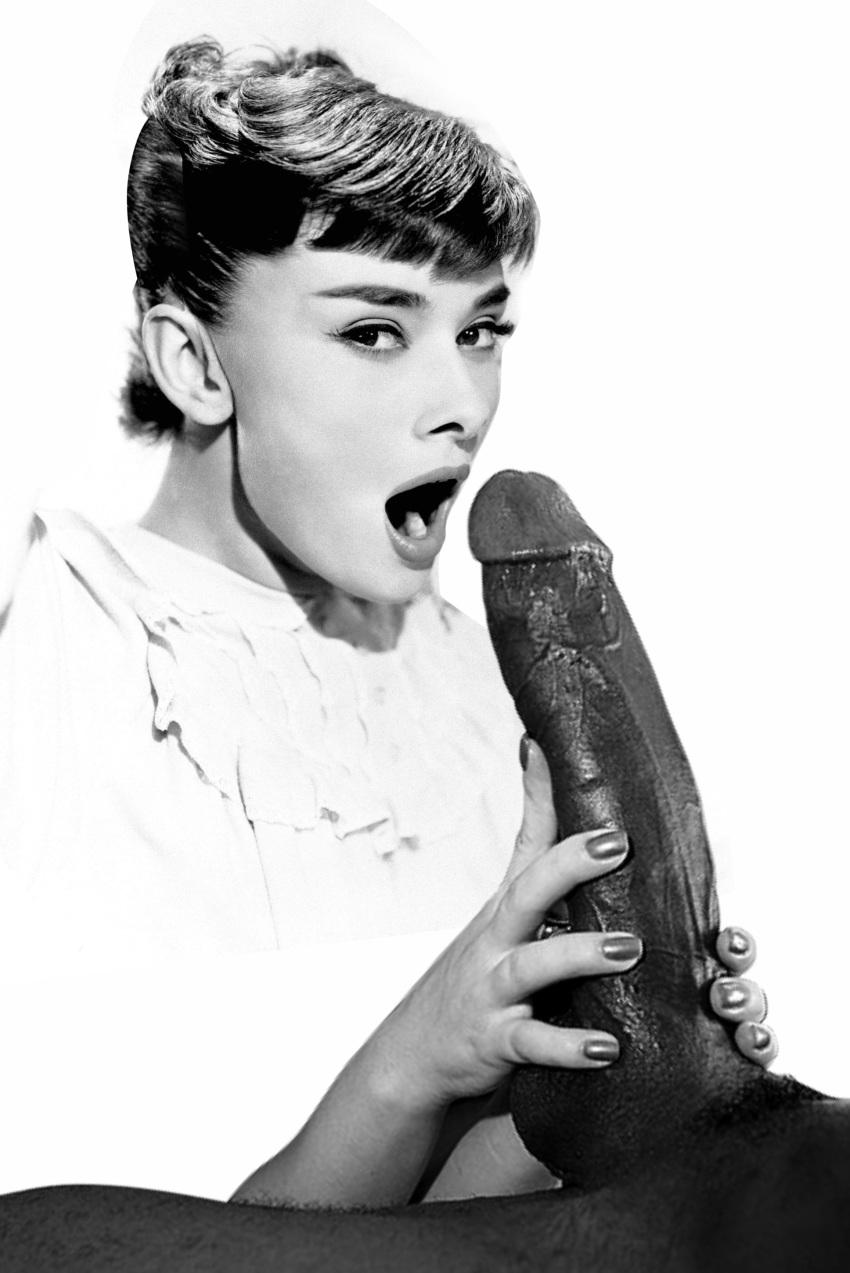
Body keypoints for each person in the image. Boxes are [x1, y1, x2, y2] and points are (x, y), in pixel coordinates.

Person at [0, 36, 775, 1208]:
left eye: (481, 332)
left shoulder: (483, 695)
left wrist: (597, 1085)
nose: (461, 404)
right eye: (374, 330)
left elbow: (427, 1233)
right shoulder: (44, 624)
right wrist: (416, 1056)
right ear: (193, 363)